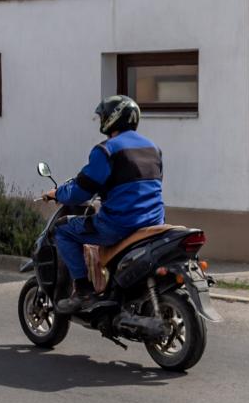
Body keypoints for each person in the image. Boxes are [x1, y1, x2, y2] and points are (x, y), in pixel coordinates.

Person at [42, 95, 165, 315]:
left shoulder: (107, 150)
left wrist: (57, 193)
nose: (101, 120)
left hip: (119, 225)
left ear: (112, 118)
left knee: (62, 229)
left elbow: (81, 190)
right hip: (154, 223)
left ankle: (83, 290)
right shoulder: (153, 148)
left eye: (103, 116)